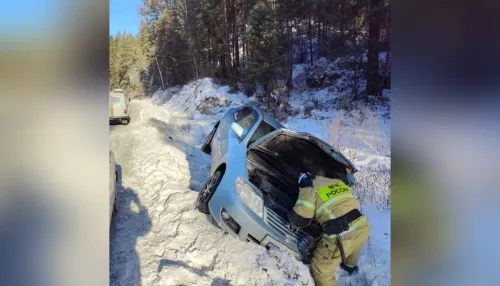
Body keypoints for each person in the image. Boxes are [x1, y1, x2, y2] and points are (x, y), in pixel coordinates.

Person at [287, 171, 371, 286]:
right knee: (353, 248)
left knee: (321, 267)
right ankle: (349, 267)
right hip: (362, 225)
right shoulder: (336, 182)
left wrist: (290, 215)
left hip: (341, 234)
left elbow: (300, 219)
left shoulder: (308, 187)